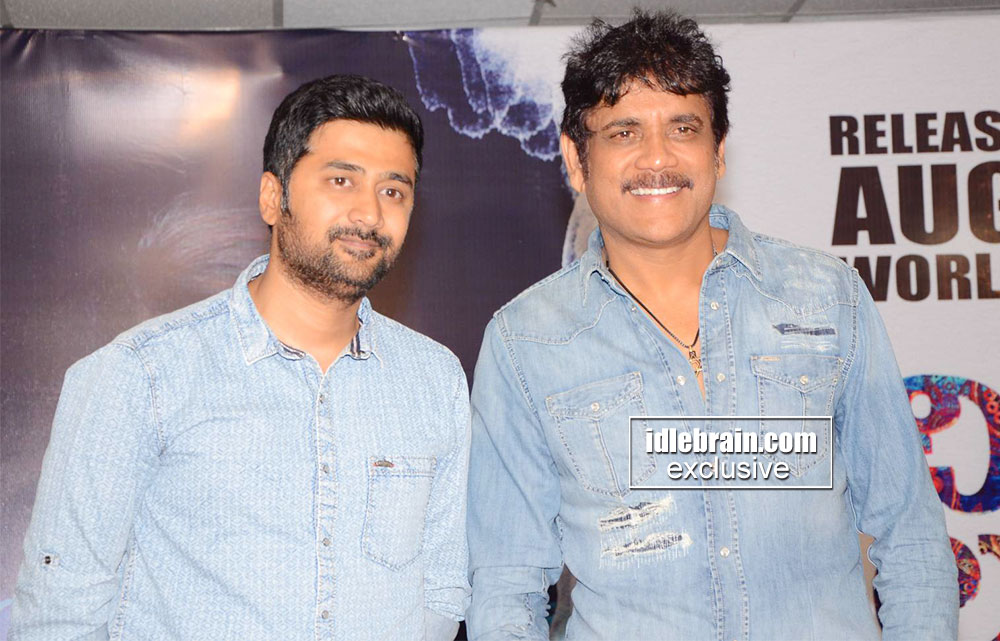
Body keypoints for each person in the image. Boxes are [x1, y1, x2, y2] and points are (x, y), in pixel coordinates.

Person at [466, 10, 957, 641]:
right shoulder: (526, 341)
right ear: (576, 160)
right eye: (623, 132)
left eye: (683, 127)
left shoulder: (827, 298)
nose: (657, 157)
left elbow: (912, 539)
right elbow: (506, 585)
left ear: (718, 149)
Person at [11, 74, 470, 641]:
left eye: (393, 191)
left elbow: (441, 589)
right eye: (341, 180)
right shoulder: (140, 374)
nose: (370, 214)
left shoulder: (434, 379)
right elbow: (59, 612)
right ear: (273, 197)